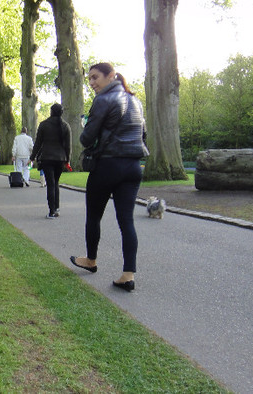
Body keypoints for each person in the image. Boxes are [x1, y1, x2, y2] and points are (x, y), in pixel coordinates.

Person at [70, 62, 149, 292]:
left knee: (94, 216)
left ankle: (91, 260)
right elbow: (142, 134)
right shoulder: (136, 101)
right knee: (127, 221)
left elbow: (86, 138)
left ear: (111, 76)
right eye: (90, 80)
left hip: (107, 165)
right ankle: (128, 274)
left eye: (95, 78)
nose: (92, 83)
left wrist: (85, 124)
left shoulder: (104, 100)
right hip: (133, 166)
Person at [30, 103, 71, 219]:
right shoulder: (65, 126)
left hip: (47, 157)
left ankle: (51, 211)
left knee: (50, 184)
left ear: (51, 112)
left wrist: (32, 157)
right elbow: (68, 146)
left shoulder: (44, 125)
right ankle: (56, 208)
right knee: (55, 183)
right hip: (60, 159)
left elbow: (38, 143)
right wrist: (68, 159)